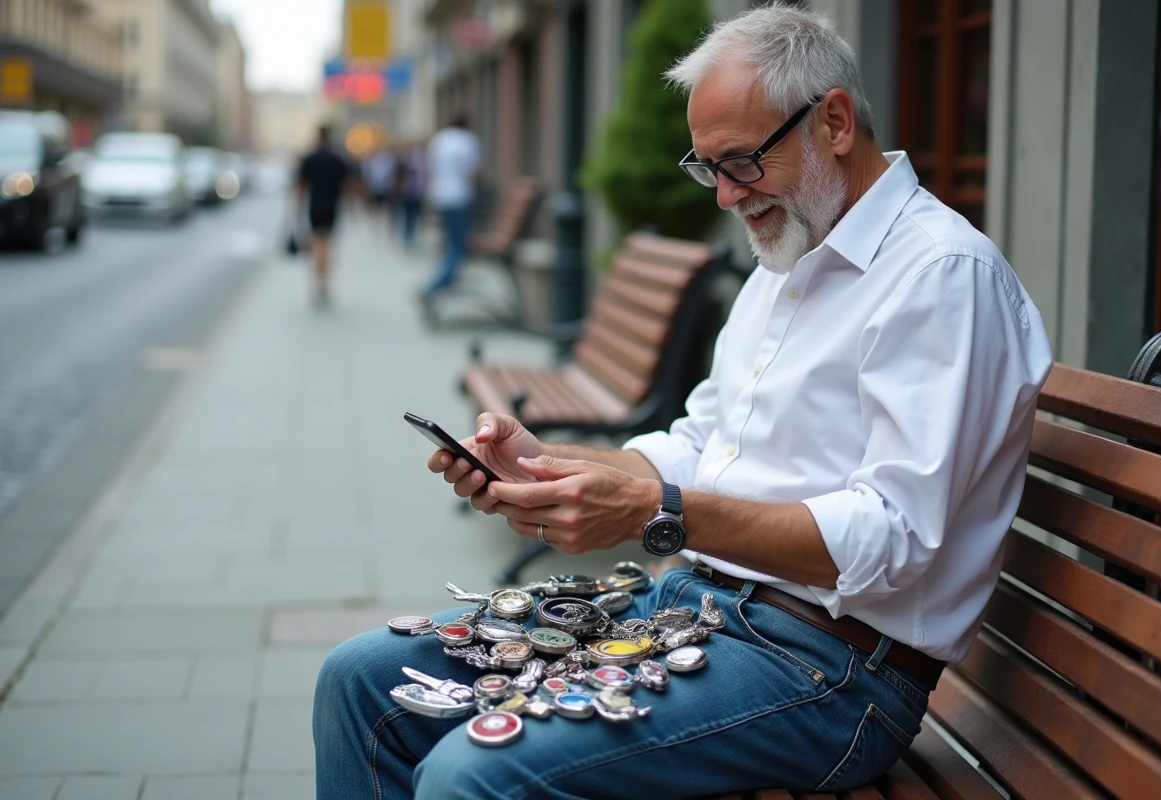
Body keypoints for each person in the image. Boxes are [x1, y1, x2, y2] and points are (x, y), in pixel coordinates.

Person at [313, 6, 1053, 798]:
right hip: (694, 607)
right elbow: (704, 446)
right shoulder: (789, 260)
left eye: (742, 162)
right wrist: (546, 465)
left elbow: (897, 537)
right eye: (708, 169)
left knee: (474, 775)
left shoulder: (942, 276)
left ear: (833, 120)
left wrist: (648, 512)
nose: (727, 197)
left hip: (832, 673)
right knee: (358, 680)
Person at [420, 113, 481, 300]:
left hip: (440, 195)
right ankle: (435, 285)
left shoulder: (440, 139)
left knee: (450, 243)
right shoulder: (468, 140)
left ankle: (447, 280)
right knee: (458, 245)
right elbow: (473, 172)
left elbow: (431, 167)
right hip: (459, 197)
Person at [296, 123, 352, 307]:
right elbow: (346, 185)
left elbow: (301, 187)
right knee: (326, 244)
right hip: (331, 207)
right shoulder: (337, 159)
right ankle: (323, 282)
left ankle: (318, 280)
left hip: (315, 206)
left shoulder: (309, 159)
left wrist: (296, 210)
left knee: (317, 244)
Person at [396, 139, 428, 248]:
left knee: (411, 215)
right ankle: (409, 236)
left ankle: (409, 235)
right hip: (412, 191)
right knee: (410, 215)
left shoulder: (411, 160)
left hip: (414, 192)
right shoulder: (414, 161)